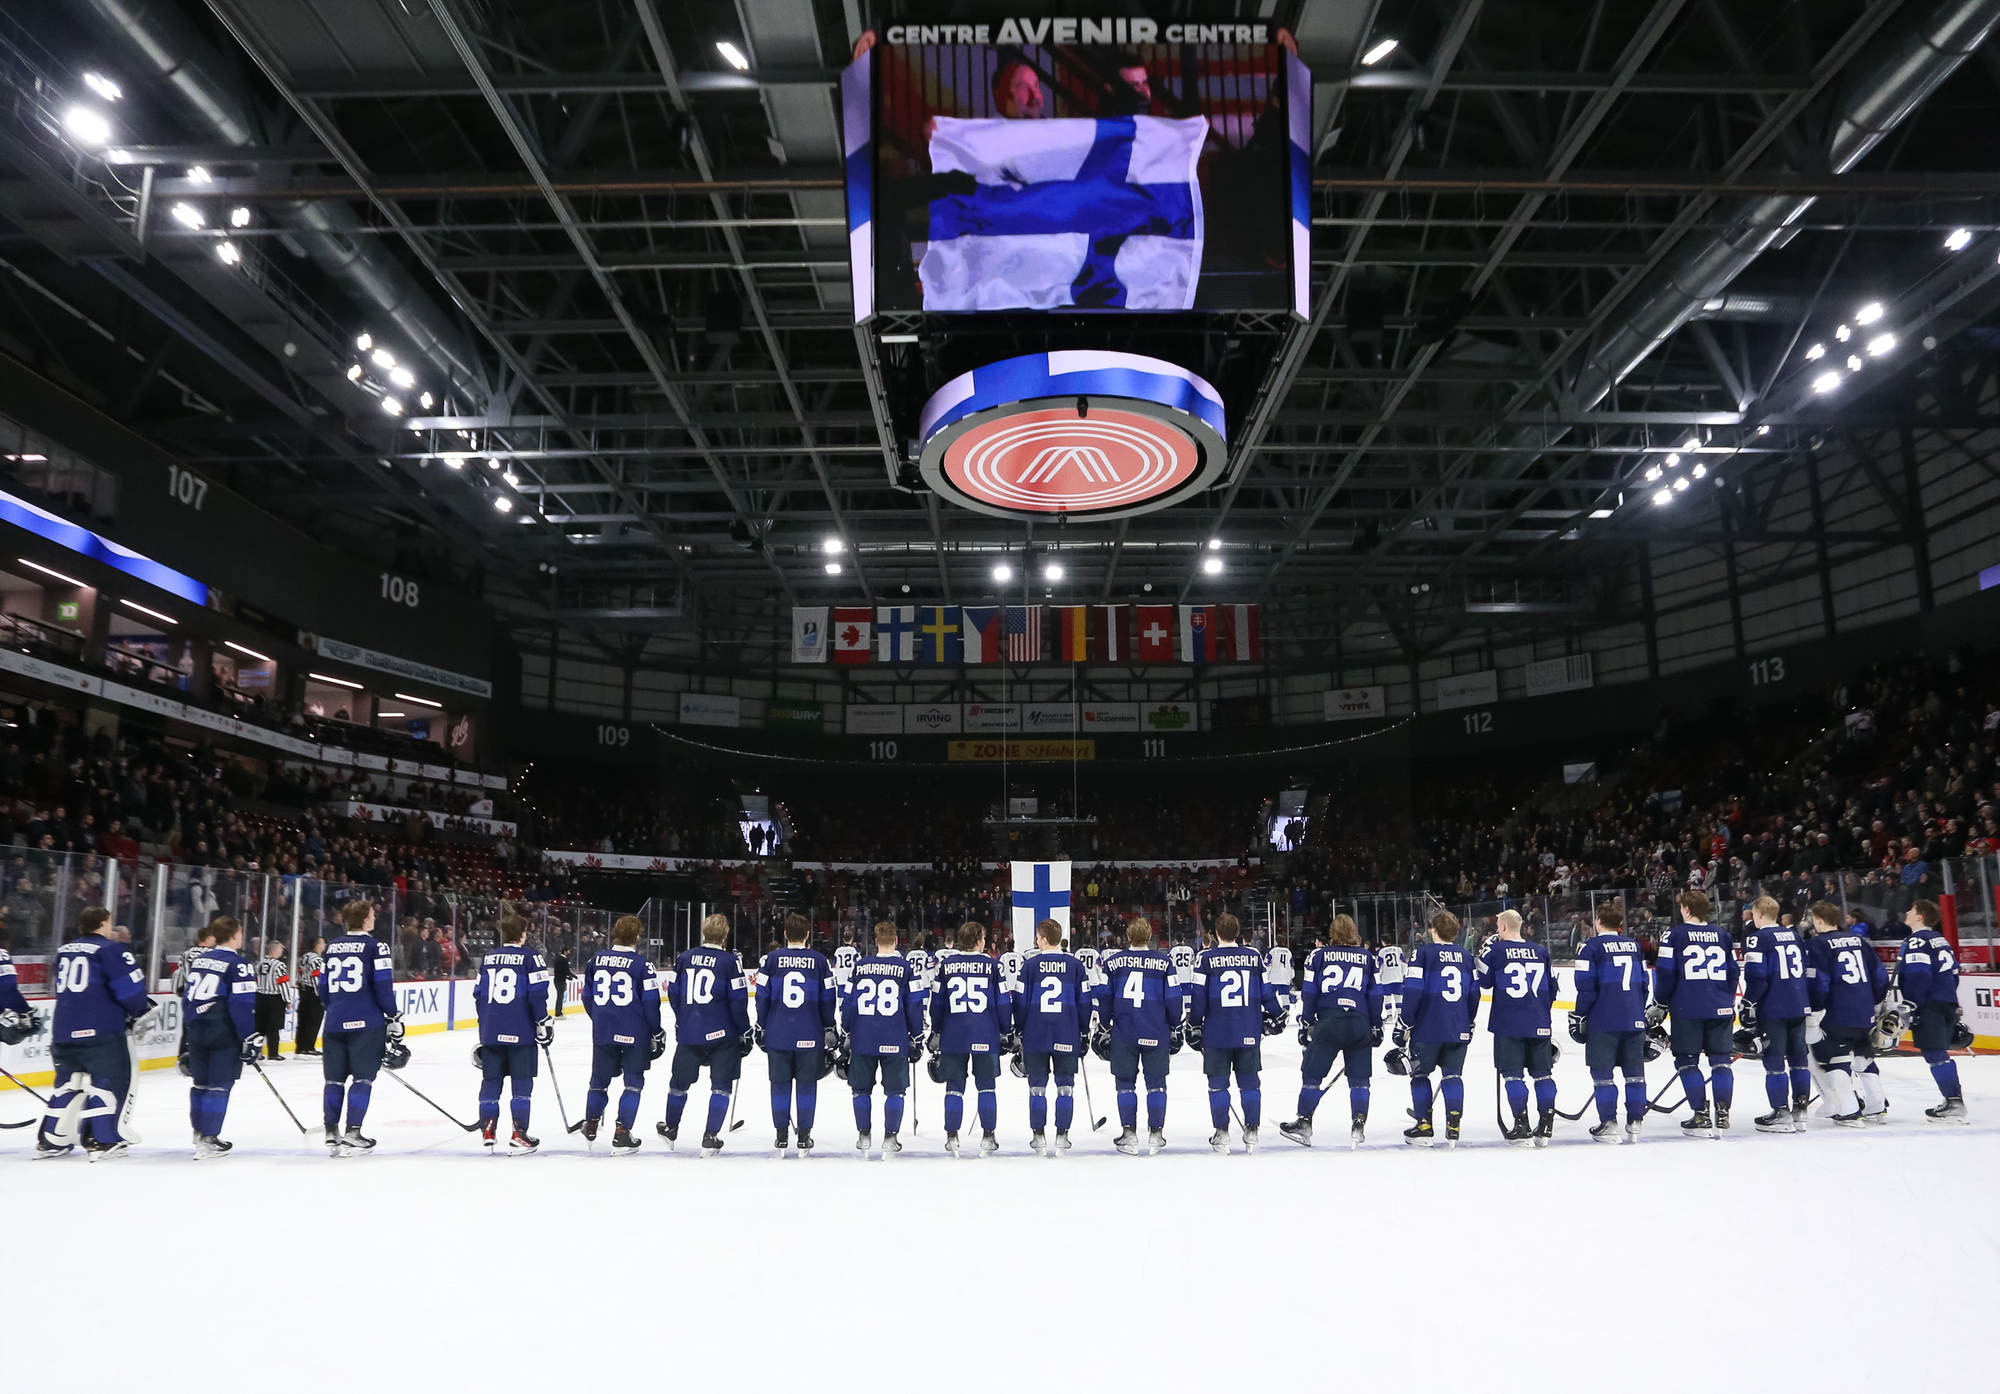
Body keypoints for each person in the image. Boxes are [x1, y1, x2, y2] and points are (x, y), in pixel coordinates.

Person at [37, 905, 154, 1160]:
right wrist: (139, 1009)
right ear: (103, 923)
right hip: (100, 1031)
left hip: (63, 1030)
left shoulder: (64, 950)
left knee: (66, 1085)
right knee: (106, 1083)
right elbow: (130, 989)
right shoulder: (111, 949)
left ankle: (52, 1139)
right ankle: (103, 1140)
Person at [1280, 912, 1380, 1148]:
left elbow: (1309, 991)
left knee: (1312, 1075)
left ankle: (1304, 1122)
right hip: (1359, 1022)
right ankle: (1358, 1125)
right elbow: (1376, 995)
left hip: (1329, 1022)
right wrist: (1376, 1025)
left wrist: (1306, 1021)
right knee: (1360, 1080)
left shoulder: (1319, 955)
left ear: (1332, 933)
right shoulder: (1367, 957)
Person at [1188, 912, 1281, 1153]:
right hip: (1249, 1028)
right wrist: (1277, 1013)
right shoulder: (1253, 956)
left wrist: (1194, 1023)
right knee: (1250, 1084)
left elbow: (1198, 996)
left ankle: (1221, 1133)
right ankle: (1252, 1130)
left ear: (1216, 934)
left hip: (1216, 1031)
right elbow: (1267, 991)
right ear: (1237, 933)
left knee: (1218, 1085)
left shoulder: (1205, 958)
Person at [315, 900, 401, 1156]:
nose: (375, 918)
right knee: (362, 1079)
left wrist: (335, 1009)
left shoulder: (331, 947)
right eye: (372, 915)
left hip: (334, 1021)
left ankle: (331, 1131)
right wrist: (392, 1015)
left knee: (334, 1080)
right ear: (365, 920)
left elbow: (323, 988)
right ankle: (353, 1133)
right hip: (366, 1023)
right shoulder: (376, 947)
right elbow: (383, 986)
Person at [661, 913, 750, 1155]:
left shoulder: (684, 957)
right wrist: (744, 1030)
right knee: (721, 1086)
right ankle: (710, 1136)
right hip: (723, 1035)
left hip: (690, 1030)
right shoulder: (730, 961)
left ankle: (670, 1127)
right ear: (725, 935)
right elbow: (738, 1001)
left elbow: (673, 993)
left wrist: (683, 1018)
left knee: (679, 1083)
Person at [1652, 888, 1737, 1138]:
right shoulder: (1723, 935)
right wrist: (1726, 999)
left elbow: (1665, 972)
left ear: (1686, 909)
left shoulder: (1674, 935)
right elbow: (1733, 972)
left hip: (1687, 1008)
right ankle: (1723, 1113)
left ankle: (1701, 1115)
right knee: (1721, 1061)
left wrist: (1660, 1002)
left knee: (1687, 1061)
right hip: (1720, 1007)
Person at [1097, 916, 1182, 1155]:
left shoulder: (1113, 962)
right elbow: (1174, 998)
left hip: (1124, 1031)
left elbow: (1104, 996)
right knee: (1157, 1084)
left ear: (1128, 937)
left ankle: (1129, 1134)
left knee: (1125, 1084)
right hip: (1156, 1030)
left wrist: (1103, 1025)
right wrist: (1176, 1025)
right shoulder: (1164, 962)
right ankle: (1156, 1134)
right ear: (1150, 937)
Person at [179, 914, 259, 1160]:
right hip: (223, 1031)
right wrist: (249, 1037)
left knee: (200, 1084)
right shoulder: (239, 964)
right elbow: (241, 1005)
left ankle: (199, 1133)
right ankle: (209, 1139)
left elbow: (187, 997)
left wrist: (191, 1027)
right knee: (219, 1085)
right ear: (234, 935)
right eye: (240, 932)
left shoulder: (201, 960)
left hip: (197, 1029)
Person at [756, 912, 836, 1155]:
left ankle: (781, 1136)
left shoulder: (771, 960)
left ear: (784, 934)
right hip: (810, 1032)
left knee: (779, 1084)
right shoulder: (820, 961)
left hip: (778, 1032)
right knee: (806, 1085)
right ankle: (804, 1136)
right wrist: (829, 1026)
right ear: (808, 935)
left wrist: (761, 1025)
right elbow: (828, 998)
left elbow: (762, 996)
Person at [1475, 909, 1557, 1146]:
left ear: (1502, 927)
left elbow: (1484, 982)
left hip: (1508, 1023)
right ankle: (1546, 1125)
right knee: (1543, 1075)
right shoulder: (1541, 951)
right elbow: (1552, 988)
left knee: (1513, 1076)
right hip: (1539, 1022)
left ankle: (1522, 1125)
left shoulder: (1496, 951)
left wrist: (1484, 953)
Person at [580, 914, 661, 1155]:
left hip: (604, 1031)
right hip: (634, 1033)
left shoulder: (596, 960)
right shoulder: (642, 965)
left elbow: (587, 996)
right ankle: (622, 1132)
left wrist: (599, 1019)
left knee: (598, 1081)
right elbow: (651, 1003)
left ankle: (591, 1123)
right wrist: (656, 1031)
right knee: (633, 1083)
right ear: (637, 935)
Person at [1570, 902, 1650, 1144]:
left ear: (1598, 922)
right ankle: (1635, 1123)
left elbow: (1585, 987)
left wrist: (1580, 1015)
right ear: (1620, 924)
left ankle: (1609, 1123)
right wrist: (1637, 1011)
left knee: (1602, 1074)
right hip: (1633, 1019)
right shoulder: (1635, 946)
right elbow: (1644, 984)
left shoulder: (1590, 947)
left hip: (1603, 1021)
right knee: (1635, 1074)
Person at [843, 920, 924, 1158]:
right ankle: (890, 1137)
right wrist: (917, 1036)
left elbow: (848, 1003)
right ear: (896, 941)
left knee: (860, 1090)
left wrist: (846, 1031)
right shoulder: (906, 968)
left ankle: (864, 1135)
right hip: (895, 1037)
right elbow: (915, 1005)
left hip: (863, 1037)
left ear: (876, 941)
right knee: (895, 1091)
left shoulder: (860, 967)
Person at [472, 912, 552, 1153]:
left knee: (491, 1082)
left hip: (491, 1031)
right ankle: (519, 1134)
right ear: (523, 934)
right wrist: (542, 1022)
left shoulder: (488, 958)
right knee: (521, 1084)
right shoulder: (532, 958)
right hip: (521, 1031)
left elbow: (478, 994)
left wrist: (486, 1024)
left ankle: (488, 1130)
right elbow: (537, 995)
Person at [1804, 900, 1888, 1126]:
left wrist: (1814, 1011)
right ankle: (1877, 1105)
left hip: (1836, 1012)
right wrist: (1876, 1003)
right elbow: (1880, 976)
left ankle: (1849, 1110)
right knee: (1863, 1055)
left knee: (1834, 1058)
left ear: (1819, 921)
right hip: (1864, 1011)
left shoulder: (1817, 945)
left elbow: (1819, 982)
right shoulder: (1859, 941)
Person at [929, 920, 1009, 1157]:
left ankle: (952, 1137)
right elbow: (1003, 1002)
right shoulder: (993, 965)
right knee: (986, 1086)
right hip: (985, 1032)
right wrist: (1006, 1031)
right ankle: (988, 1136)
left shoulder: (946, 965)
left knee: (954, 1087)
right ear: (979, 941)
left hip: (954, 1033)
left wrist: (936, 1029)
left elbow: (937, 1003)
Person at [1398, 912, 1475, 1147]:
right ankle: (1454, 1127)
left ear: (1433, 930)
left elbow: (1413, 990)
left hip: (1427, 1027)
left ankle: (1423, 1126)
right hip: (1458, 1026)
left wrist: (1404, 1022)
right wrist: (1469, 1022)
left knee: (1419, 1075)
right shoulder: (1466, 956)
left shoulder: (1422, 953)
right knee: (1453, 1076)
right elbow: (1474, 993)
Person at [1015, 917, 1088, 1156]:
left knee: (1037, 1087)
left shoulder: (1029, 966)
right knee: (1065, 1087)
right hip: (1067, 1032)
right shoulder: (1075, 966)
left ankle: (1038, 1137)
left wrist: (1019, 1029)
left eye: (1038, 938)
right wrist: (1084, 1030)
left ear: (1044, 939)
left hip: (1036, 1033)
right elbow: (1084, 1002)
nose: (1036, 941)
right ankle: (1062, 1136)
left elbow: (1020, 1002)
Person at [1740, 895, 1812, 1133]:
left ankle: (1781, 1112)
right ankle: (1800, 1110)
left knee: (1774, 1061)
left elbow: (1757, 976)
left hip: (1774, 1007)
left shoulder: (1757, 938)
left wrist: (1749, 1002)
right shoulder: (1793, 935)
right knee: (1799, 1059)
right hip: (1799, 1004)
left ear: (1759, 915)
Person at [1897, 899, 1967, 1122]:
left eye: (1911, 910)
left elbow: (1919, 973)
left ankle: (1954, 1103)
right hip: (1946, 1001)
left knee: (1935, 1053)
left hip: (1929, 1004)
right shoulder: (1940, 939)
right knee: (1938, 1052)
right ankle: (1953, 1100)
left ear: (1920, 916)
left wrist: (1911, 1002)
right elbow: (1954, 974)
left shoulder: (1917, 940)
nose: (1907, 912)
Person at [254, 937, 289, 1061]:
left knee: (259, 1027)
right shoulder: (279, 965)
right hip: (275, 999)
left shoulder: (259, 964)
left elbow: (255, 981)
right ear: (276, 950)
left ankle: (256, 1052)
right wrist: (288, 1000)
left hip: (260, 997)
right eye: (281, 949)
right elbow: (283, 984)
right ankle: (273, 1053)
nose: (282, 951)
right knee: (273, 1028)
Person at [295, 936, 326, 1056]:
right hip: (313, 992)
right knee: (313, 1020)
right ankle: (308, 1047)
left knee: (303, 1020)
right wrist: (321, 995)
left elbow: (299, 974)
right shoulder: (317, 960)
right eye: (322, 943)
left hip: (303, 991)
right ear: (317, 945)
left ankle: (300, 1047)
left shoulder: (304, 957)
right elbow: (316, 978)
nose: (324, 945)